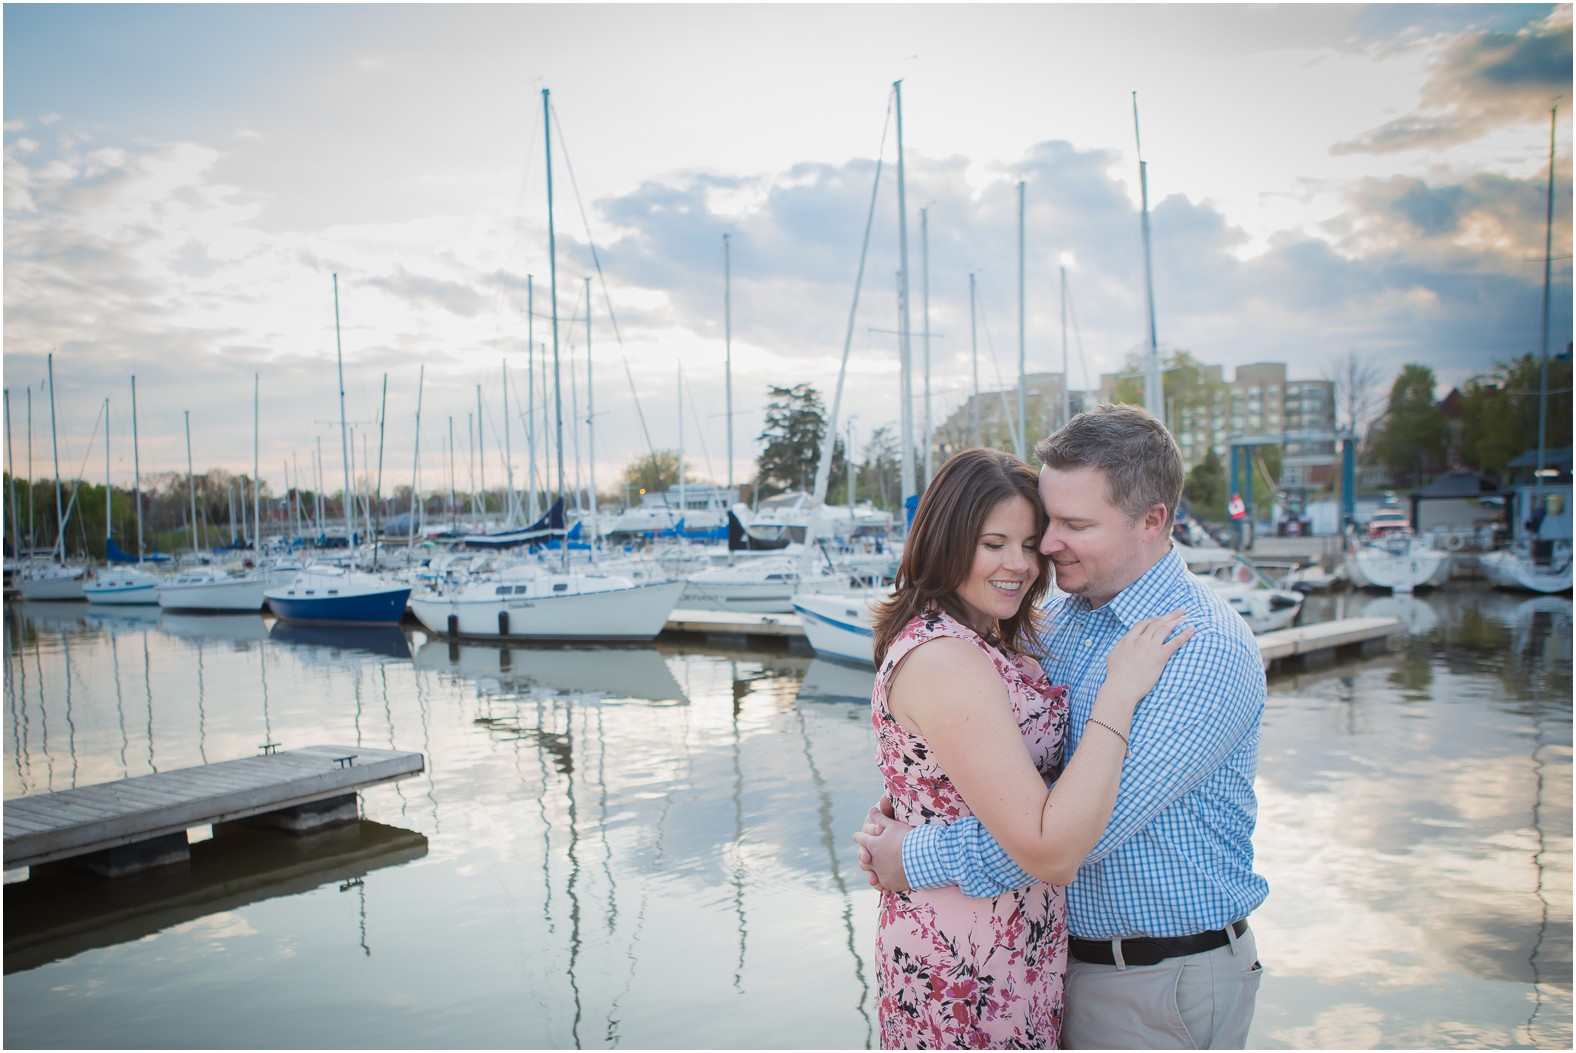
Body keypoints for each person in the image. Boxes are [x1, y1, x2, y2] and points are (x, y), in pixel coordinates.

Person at [857, 404, 1269, 1050]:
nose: (1045, 548)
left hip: (1157, 980)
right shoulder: (1063, 620)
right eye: (1046, 522)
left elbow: (1069, 837)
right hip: (1046, 964)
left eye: (1072, 525)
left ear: (1152, 520)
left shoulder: (1201, 648)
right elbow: (986, 749)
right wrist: (918, 795)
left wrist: (914, 853)